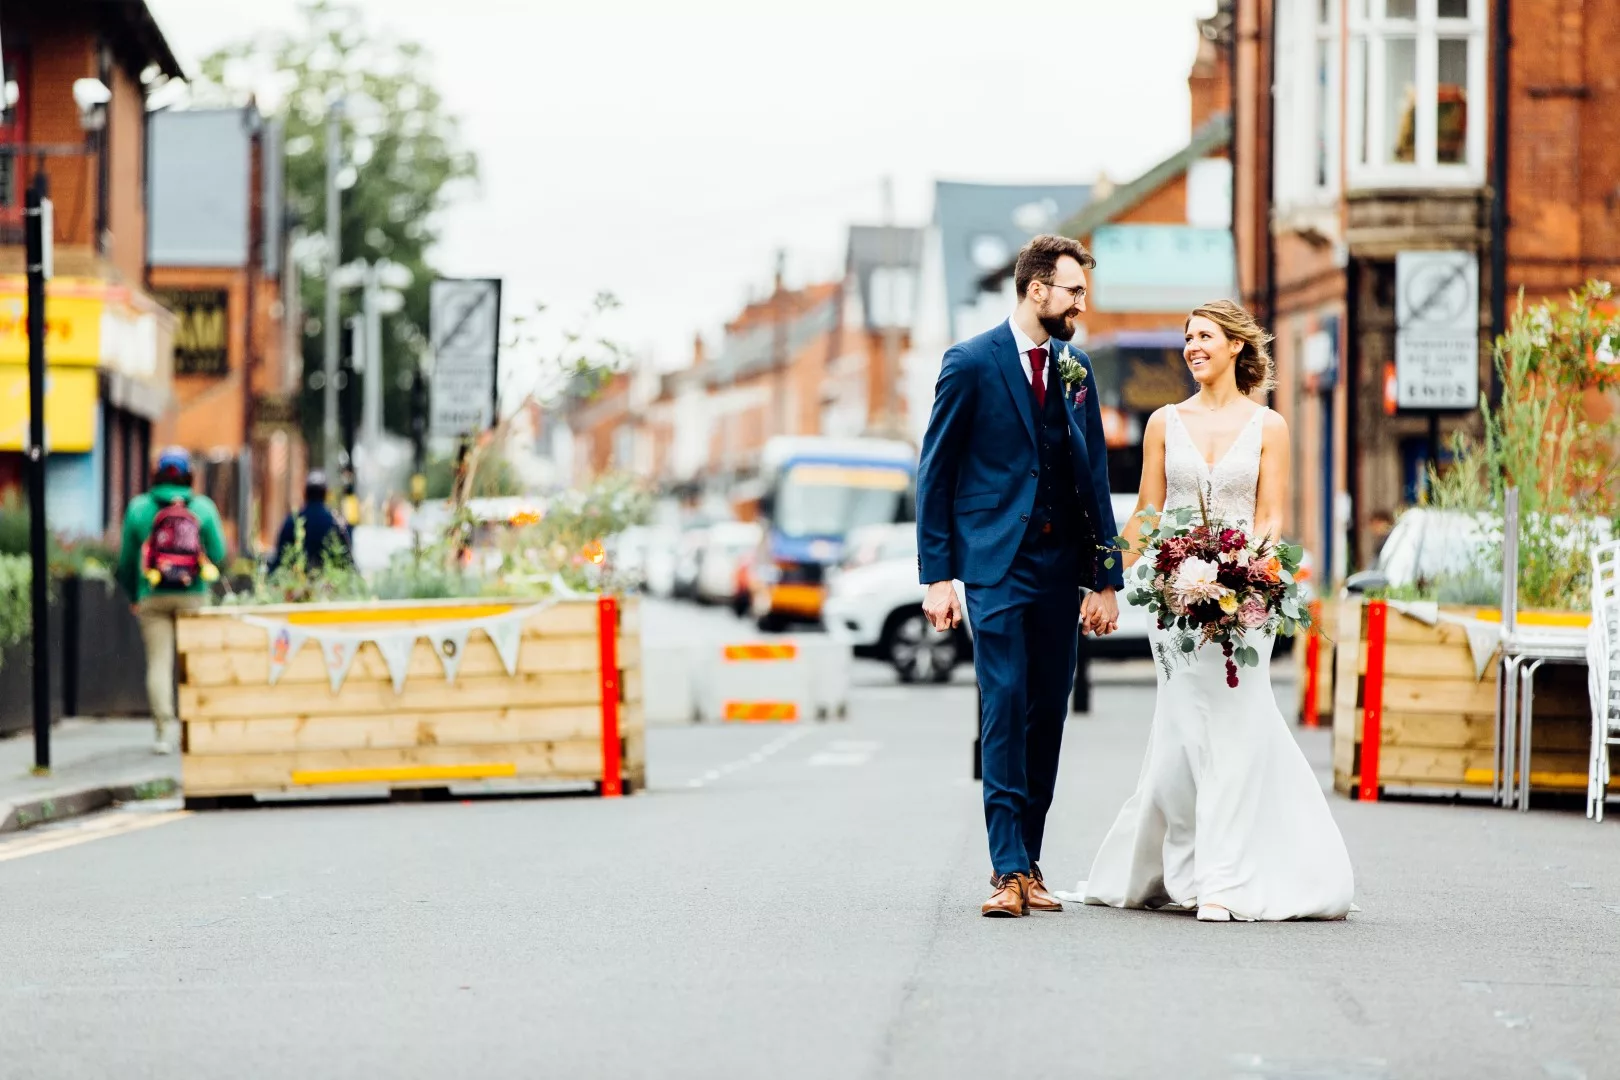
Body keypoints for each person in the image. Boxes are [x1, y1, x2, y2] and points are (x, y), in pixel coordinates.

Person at [1069, 300, 1355, 922]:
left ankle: (1222, 880)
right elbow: (1148, 511)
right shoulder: (1163, 423)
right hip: (1172, 604)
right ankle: (1180, 865)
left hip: (1243, 602)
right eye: (1187, 338)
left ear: (1234, 346)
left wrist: (1249, 579)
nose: (1192, 346)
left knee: (1237, 729)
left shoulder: (1269, 426)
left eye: (1204, 336)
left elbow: (1270, 516)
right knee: (1178, 739)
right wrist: (1107, 577)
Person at [916, 234, 1123, 918]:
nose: (1080, 305)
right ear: (1037, 291)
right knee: (1003, 702)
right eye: (1073, 292)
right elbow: (937, 473)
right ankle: (1006, 870)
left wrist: (1106, 577)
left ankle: (1029, 864)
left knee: (1046, 713)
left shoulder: (1076, 368)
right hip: (995, 565)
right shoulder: (970, 363)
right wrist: (938, 576)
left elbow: (1092, 474)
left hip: (1059, 567)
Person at [116, 448, 227, 754]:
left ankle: (165, 731)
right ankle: (196, 728)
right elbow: (219, 554)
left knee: (159, 663)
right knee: (194, 663)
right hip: (193, 594)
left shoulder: (139, 508)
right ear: (189, 474)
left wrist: (134, 594)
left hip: (152, 595)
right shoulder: (202, 508)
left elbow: (125, 562)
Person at [267, 471, 353, 575]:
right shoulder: (337, 524)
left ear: (304, 493)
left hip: (295, 587)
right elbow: (348, 564)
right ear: (326, 494)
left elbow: (279, 561)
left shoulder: (291, 522)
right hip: (329, 586)